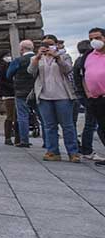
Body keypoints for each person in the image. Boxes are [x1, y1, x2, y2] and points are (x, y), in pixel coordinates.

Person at [29, 33, 79, 162]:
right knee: (49, 125)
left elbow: (68, 70)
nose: (47, 47)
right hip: (44, 96)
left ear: (56, 45)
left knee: (67, 125)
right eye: (44, 44)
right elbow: (31, 71)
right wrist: (37, 57)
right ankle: (52, 151)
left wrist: (57, 58)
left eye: (50, 44)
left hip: (63, 95)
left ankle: (73, 152)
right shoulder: (37, 58)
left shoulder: (64, 56)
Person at [73, 38, 105, 160]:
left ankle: (86, 148)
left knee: (92, 124)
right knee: (92, 124)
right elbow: (80, 79)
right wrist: (87, 94)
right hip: (90, 97)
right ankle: (87, 149)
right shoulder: (84, 61)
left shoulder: (80, 60)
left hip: (88, 95)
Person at [81, 27, 105, 167]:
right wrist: (88, 92)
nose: (94, 42)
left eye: (97, 38)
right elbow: (82, 74)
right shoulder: (89, 55)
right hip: (95, 98)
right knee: (102, 128)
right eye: (91, 39)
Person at [7, 39, 36, 147]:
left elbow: (8, 74)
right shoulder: (39, 58)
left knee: (22, 116)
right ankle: (47, 142)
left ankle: (24, 140)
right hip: (38, 90)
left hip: (21, 91)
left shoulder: (18, 60)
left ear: (22, 49)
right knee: (42, 116)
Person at [0, 50, 20, 145]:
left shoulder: (9, 65)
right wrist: (11, 86)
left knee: (15, 116)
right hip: (8, 93)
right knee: (11, 115)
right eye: (7, 55)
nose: (9, 57)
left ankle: (16, 138)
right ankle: (8, 137)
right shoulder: (1, 67)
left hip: (11, 92)